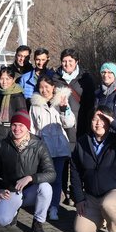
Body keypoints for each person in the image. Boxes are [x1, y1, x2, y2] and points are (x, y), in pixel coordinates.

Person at [0, 110, 55, 232]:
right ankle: (13, 210)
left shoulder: (39, 146)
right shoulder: (1, 145)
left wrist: (31, 178)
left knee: (46, 188)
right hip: (10, 190)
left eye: (21, 125)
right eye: (14, 125)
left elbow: (51, 173)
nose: (17, 129)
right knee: (2, 220)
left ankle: (38, 223)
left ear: (27, 128)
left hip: (31, 190)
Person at [30, 74, 75, 221]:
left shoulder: (61, 101)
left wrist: (64, 109)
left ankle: (54, 207)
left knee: (56, 180)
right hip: (43, 149)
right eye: (41, 87)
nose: (44, 90)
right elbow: (32, 129)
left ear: (53, 87)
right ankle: (42, 206)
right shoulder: (35, 105)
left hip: (60, 148)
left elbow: (69, 123)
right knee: (44, 180)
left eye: (47, 87)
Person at [52, 48, 96, 151]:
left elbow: (91, 103)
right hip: (61, 124)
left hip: (81, 123)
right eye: (64, 61)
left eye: (70, 61)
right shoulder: (55, 79)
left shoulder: (86, 78)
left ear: (76, 62)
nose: (67, 64)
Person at [0, 66, 27, 145]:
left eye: (7, 79)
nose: (4, 82)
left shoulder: (18, 96)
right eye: (1, 79)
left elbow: (22, 119)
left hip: (11, 134)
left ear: (13, 80)